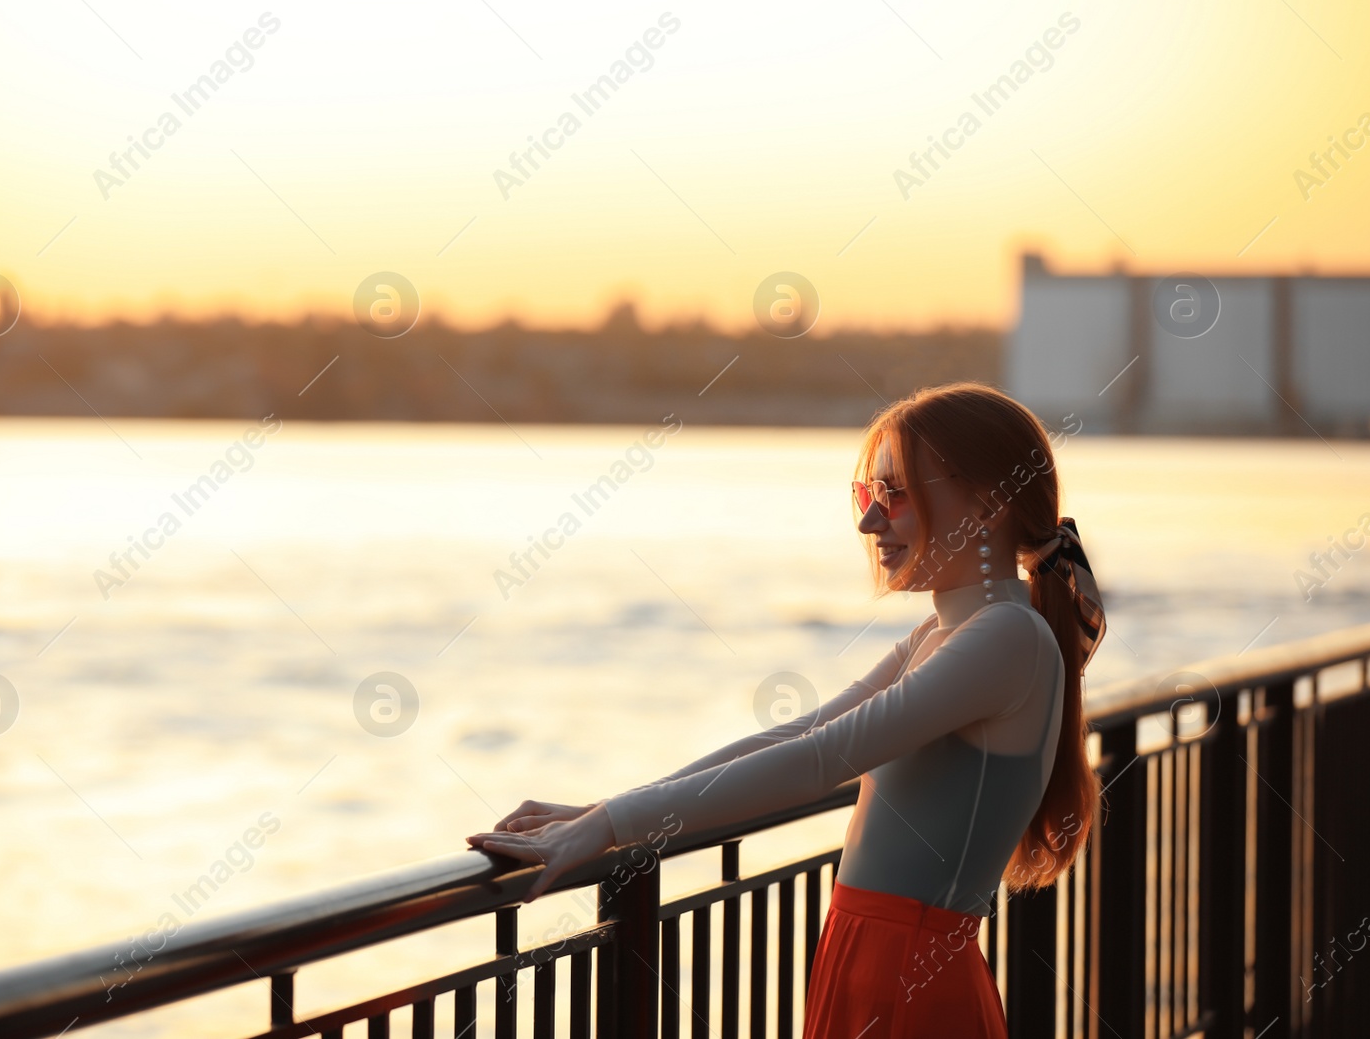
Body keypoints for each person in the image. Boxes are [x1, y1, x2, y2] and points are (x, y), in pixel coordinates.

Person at [466, 382, 1108, 1037]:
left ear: (987, 504)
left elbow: (821, 759)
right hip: (871, 960)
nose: (869, 521)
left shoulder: (1007, 636)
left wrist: (609, 827)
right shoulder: (943, 634)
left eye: (895, 493)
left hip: (910, 978)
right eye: (866, 495)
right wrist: (606, 810)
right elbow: (803, 730)